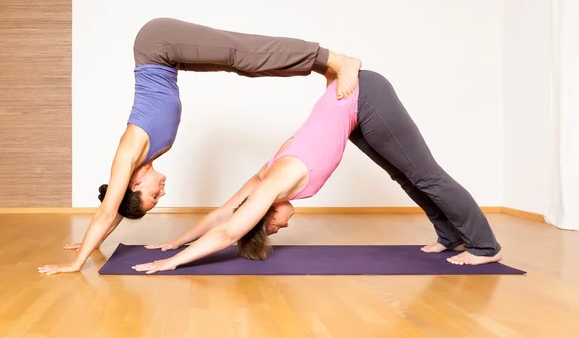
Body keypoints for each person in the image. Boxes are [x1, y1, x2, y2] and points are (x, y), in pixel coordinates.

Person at [37, 18, 362, 275]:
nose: (161, 193)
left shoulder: (129, 151)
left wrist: (76, 262)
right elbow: (117, 209)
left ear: (135, 183)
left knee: (242, 54)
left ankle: (337, 60)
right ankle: (327, 70)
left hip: (157, 44)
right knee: (243, 66)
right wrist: (93, 243)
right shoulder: (144, 161)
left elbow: (108, 210)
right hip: (167, 57)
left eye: (152, 196)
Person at [134, 70, 502, 275]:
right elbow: (220, 214)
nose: (285, 226)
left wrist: (173, 261)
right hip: (353, 113)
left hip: (363, 95)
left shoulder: (273, 184)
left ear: (265, 213)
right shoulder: (260, 179)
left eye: (275, 226)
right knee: (405, 177)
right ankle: (450, 236)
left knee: (426, 175)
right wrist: (178, 239)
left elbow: (230, 229)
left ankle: (485, 246)